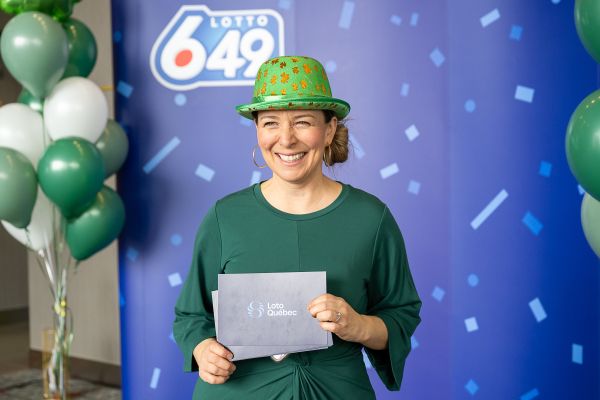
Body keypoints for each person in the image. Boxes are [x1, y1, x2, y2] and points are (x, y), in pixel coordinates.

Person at [173, 55, 421, 400]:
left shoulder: (371, 218)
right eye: (270, 123)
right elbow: (190, 315)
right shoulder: (224, 217)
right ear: (258, 131)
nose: (286, 139)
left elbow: (400, 316)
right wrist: (202, 349)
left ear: (330, 129)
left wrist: (358, 325)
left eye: (302, 122)